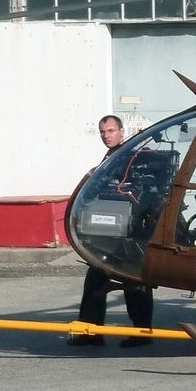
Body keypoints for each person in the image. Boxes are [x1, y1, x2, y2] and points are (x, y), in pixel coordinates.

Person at [68, 115, 155, 348]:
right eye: (103, 132)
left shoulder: (131, 156)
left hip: (132, 232)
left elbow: (142, 192)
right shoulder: (112, 157)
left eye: (110, 131)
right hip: (109, 232)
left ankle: (142, 332)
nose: (106, 135)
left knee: (134, 282)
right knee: (96, 281)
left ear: (121, 131)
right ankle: (91, 332)